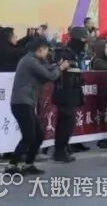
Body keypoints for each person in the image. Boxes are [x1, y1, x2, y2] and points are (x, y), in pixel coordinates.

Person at [8, 38, 67, 175]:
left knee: (39, 135)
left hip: (27, 102)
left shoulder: (34, 60)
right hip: (22, 103)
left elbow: (46, 68)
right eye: (46, 50)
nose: (47, 53)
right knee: (29, 137)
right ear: (40, 49)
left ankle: (29, 164)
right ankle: (11, 165)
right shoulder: (30, 61)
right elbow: (50, 76)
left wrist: (57, 65)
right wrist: (60, 68)